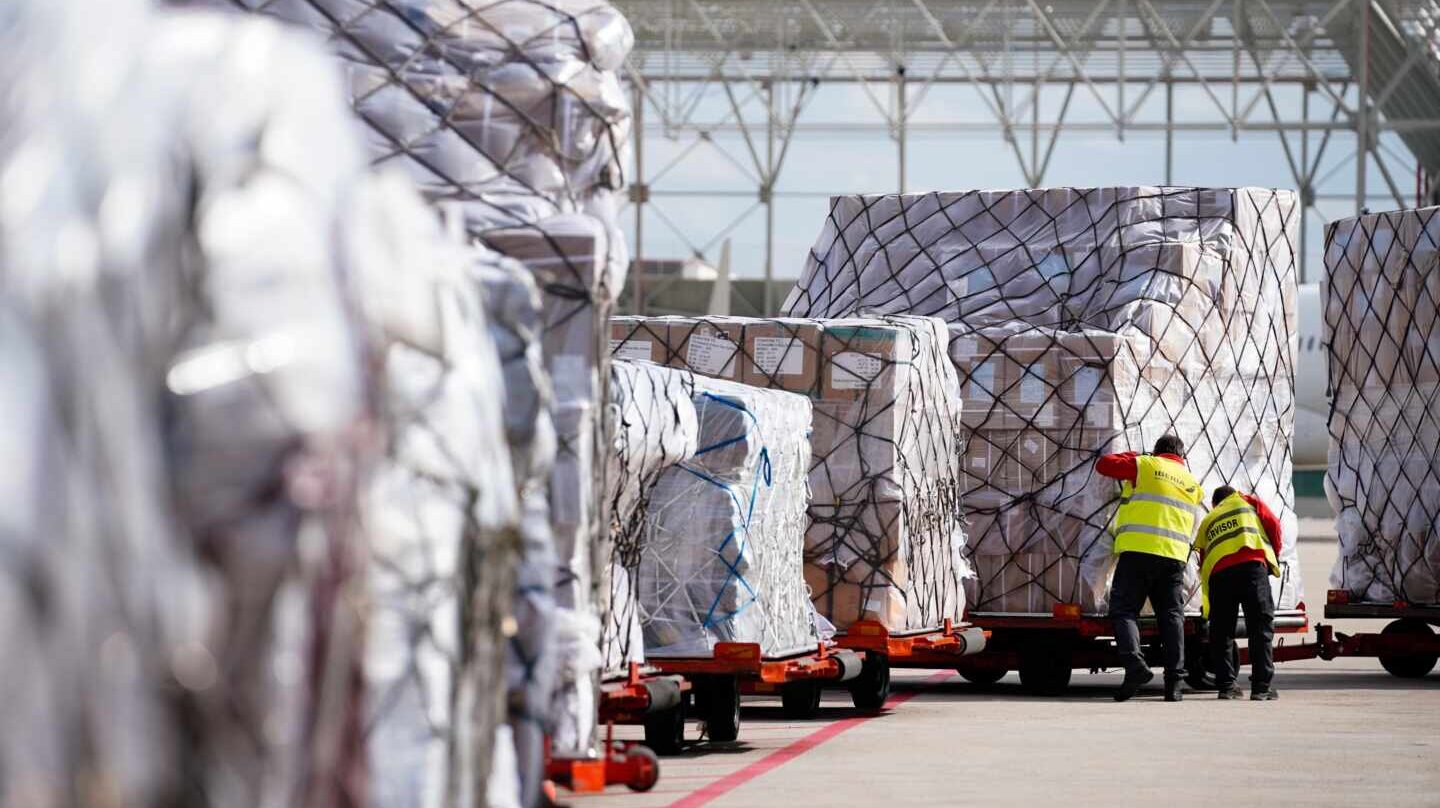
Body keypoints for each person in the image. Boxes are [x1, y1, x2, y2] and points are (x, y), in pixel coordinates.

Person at [1097, 434, 1205, 702]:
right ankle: (1174, 685)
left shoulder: (1145, 465)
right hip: (1174, 558)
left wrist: (1135, 455)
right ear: (1181, 456)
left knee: (1124, 610)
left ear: (1157, 452)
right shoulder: (1193, 484)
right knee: (1171, 618)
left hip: (1139, 551)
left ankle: (1134, 667)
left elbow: (1105, 465)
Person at [1195, 485, 1283, 701]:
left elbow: (1203, 557)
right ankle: (1261, 688)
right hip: (1252, 567)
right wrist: (1273, 556)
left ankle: (1227, 687)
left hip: (1220, 575)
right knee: (1259, 628)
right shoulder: (1247, 502)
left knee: (1221, 632)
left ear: (1215, 504)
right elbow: (1274, 526)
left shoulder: (1209, 519)